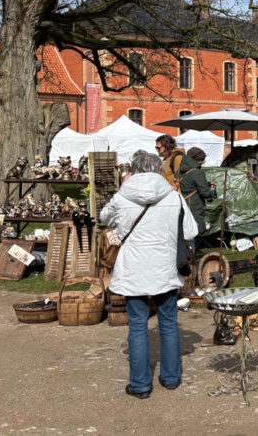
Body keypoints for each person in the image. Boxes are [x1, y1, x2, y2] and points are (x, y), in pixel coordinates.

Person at [101, 150, 198, 399]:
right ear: (158, 170)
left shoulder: (123, 195)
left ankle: (141, 385)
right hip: (164, 267)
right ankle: (171, 377)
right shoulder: (173, 197)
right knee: (168, 323)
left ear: (133, 171)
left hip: (134, 268)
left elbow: (104, 218)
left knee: (137, 328)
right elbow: (190, 231)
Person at [175, 147, 217, 236]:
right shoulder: (197, 172)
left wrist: (207, 183)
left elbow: (188, 183)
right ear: (198, 160)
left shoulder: (179, 171)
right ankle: (192, 249)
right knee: (195, 230)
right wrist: (213, 192)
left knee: (183, 228)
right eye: (202, 160)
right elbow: (205, 192)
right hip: (194, 205)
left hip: (181, 202)